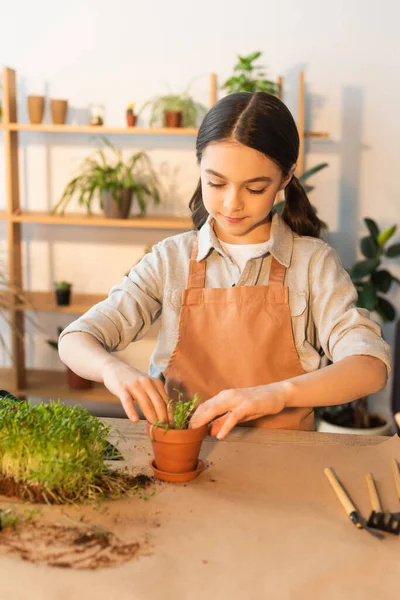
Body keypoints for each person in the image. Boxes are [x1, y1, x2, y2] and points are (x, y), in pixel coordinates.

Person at [58, 91, 391, 439]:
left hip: (287, 463)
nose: (232, 203)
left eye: (255, 188)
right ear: (199, 166)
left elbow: (369, 367)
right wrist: (112, 369)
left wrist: (279, 394)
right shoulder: (169, 260)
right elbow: (76, 339)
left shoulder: (312, 264)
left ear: (286, 177)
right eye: (216, 183)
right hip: (184, 457)